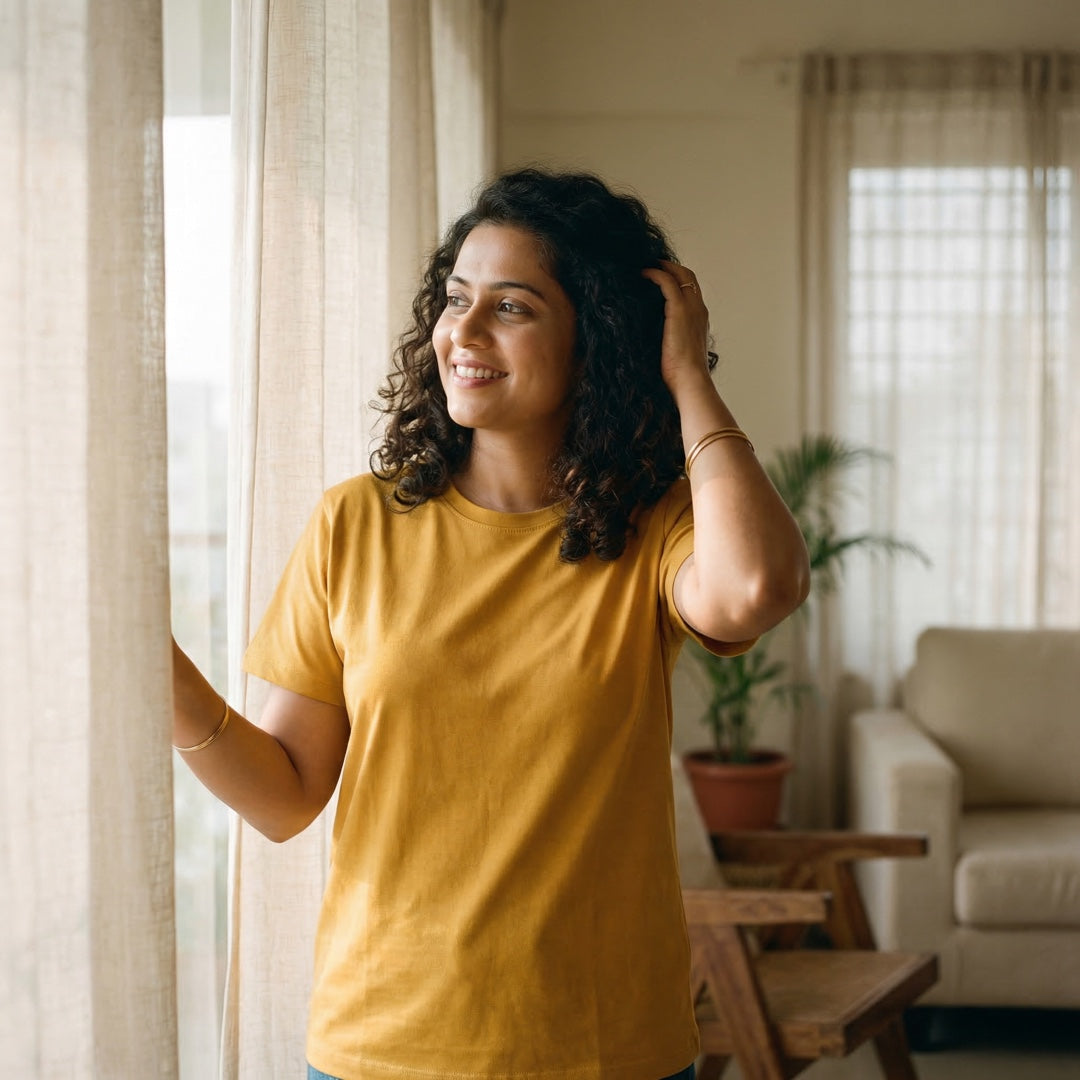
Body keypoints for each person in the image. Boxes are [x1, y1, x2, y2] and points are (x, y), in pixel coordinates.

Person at [171, 168, 810, 1080]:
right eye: (455, 299)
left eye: (510, 307)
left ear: (596, 335)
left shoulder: (655, 527)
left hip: (607, 1048)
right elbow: (284, 798)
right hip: (383, 1043)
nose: (462, 334)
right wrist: (151, 673)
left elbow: (754, 588)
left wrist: (686, 378)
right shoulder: (354, 522)